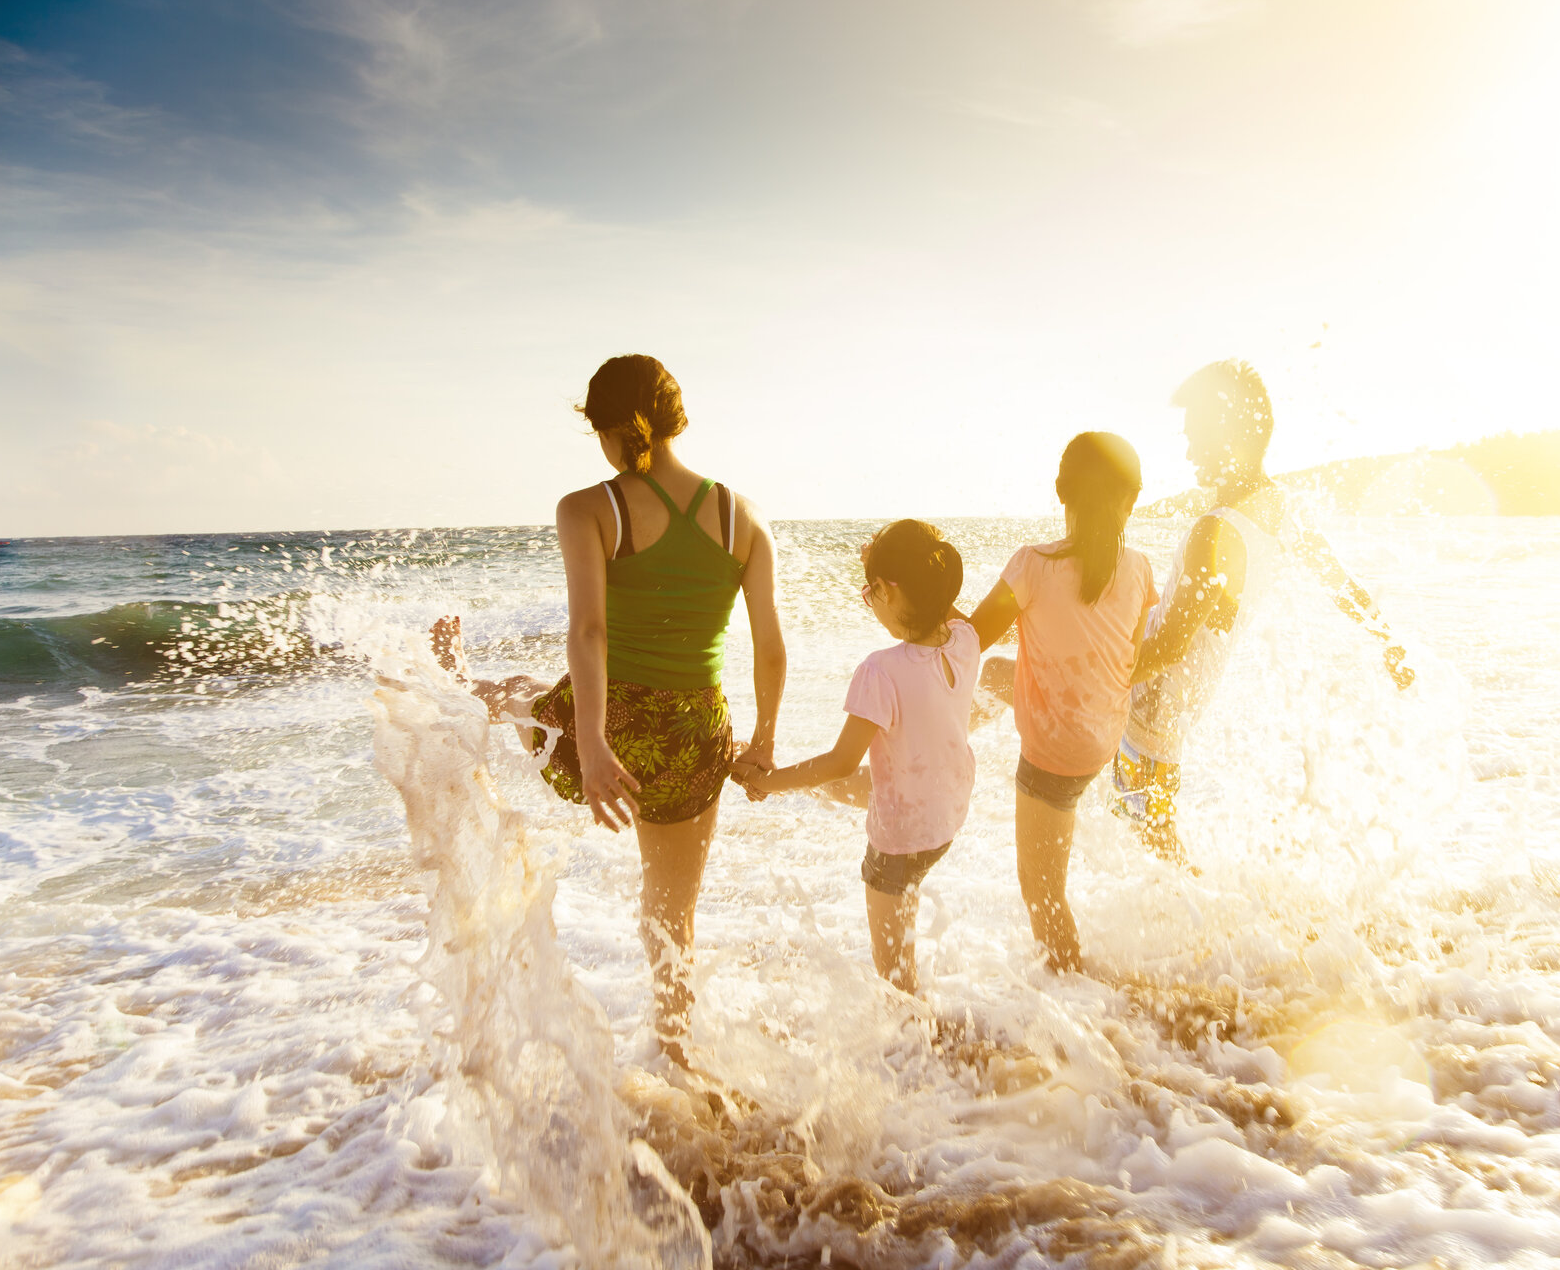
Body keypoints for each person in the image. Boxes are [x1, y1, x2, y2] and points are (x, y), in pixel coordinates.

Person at [434, 354, 786, 1067]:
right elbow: (771, 647)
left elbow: (590, 632)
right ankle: (678, 1053)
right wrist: (763, 741)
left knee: (525, 699)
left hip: (618, 717)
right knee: (672, 910)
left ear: (611, 428)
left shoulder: (589, 508)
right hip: (697, 732)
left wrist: (592, 742)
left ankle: (461, 682)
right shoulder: (743, 515)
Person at [1116, 360, 1414, 864]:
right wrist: (1387, 640)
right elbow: (1340, 584)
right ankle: (1208, 931)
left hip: (1149, 708)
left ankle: (1213, 934)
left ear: (1229, 433)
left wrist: (1088, 677)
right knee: (1155, 843)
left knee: (1152, 849)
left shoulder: (1216, 530)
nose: (1188, 451)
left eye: (1196, 436)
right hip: (1176, 709)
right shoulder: (1281, 510)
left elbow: (1169, 647)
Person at [733, 520, 977, 995]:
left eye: (872, 593)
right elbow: (943, 606)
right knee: (861, 791)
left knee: (893, 975)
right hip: (945, 818)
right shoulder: (965, 640)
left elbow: (841, 761)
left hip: (900, 840)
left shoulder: (880, 671)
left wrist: (769, 782)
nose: (871, 603)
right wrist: (897, 570)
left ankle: (918, 1054)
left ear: (889, 589)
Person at [967, 433, 1156, 973]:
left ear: (1060, 493)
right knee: (1000, 674)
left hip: (1054, 756)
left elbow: (968, 637)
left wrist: (910, 594)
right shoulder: (1140, 568)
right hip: (1099, 737)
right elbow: (1122, 651)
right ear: (1132, 500)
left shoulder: (1033, 565)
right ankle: (951, 741)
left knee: (1041, 894)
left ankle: (1076, 990)